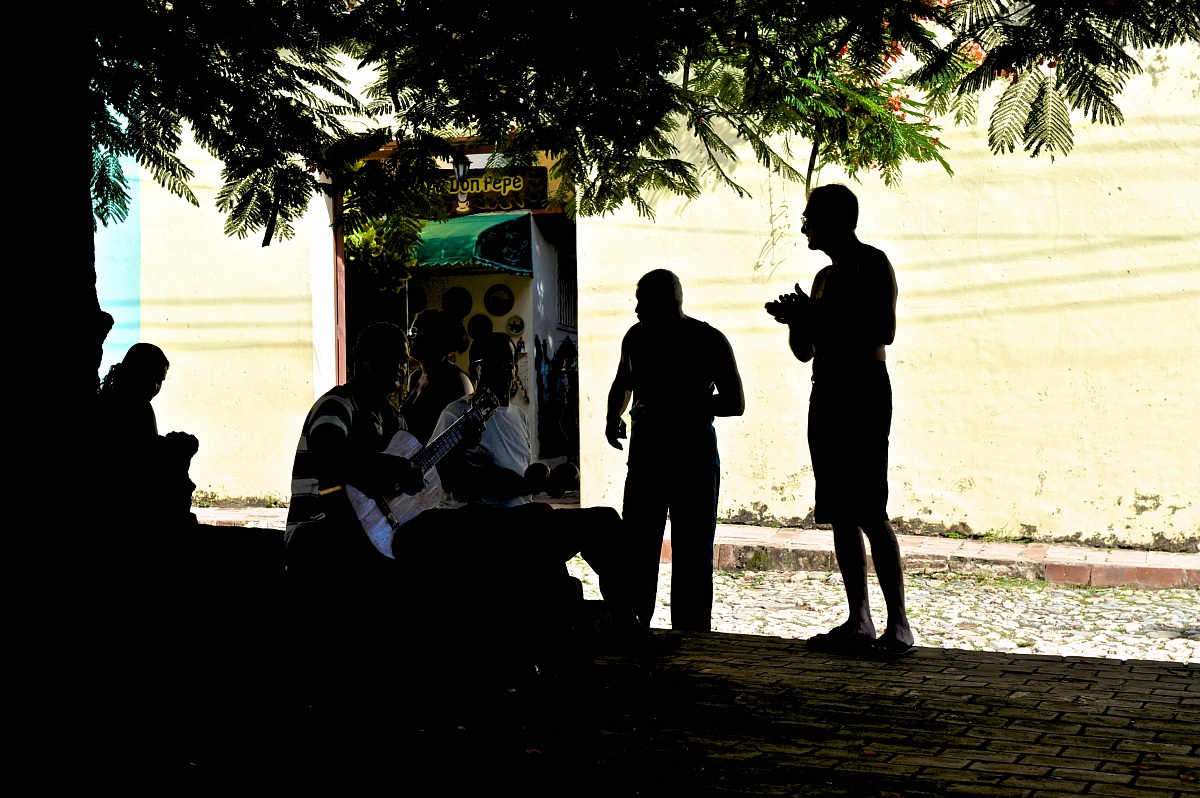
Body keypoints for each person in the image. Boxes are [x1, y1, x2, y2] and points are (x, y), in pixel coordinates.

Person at [414, 332, 673, 665]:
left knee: (604, 521)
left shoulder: (518, 417)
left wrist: (550, 481)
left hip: (520, 522)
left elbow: (522, 482)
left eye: (511, 362)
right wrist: (524, 486)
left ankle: (627, 621)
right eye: (496, 364)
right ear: (475, 370)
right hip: (482, 526)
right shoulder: (459, 414)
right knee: (542, 518)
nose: (507, 371)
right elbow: (451, 477)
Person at [764, 183, 914, 657]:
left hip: (863, 392)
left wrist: (816, 313)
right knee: (839, 515)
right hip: (825, 392)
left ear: (835, 221)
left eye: (810, 216)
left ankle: (900, 626)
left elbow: (882, 330)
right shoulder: (823, 278)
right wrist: (796, 321)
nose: (804, 224)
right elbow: (806, 350)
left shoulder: (870, 264)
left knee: (869, 510)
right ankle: (859, 620)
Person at [606, 270, 745, 631]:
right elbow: (622, 383)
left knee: (694, 551)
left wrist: (681, 405)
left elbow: (735, 402)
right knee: (638, 547)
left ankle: (693, 633)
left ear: (668, 302)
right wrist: (613, 416)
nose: (636, 309)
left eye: (643, 300)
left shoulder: (707, 340)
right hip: (646, 459)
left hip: (693, 459)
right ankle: (635, 627)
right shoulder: (636, 338)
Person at [95, 342, 199, 530]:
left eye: (160, 381)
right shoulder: (136, 406)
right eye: (151, 377)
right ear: (135, 372)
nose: (155, 387)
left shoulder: (109, 396)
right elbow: (141, 455)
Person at [401, 308, 474, 445]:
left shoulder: (458, 380)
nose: (410, 336)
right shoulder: (415, 377)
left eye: (415, 331)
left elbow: (466, 436)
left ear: (433, 337)